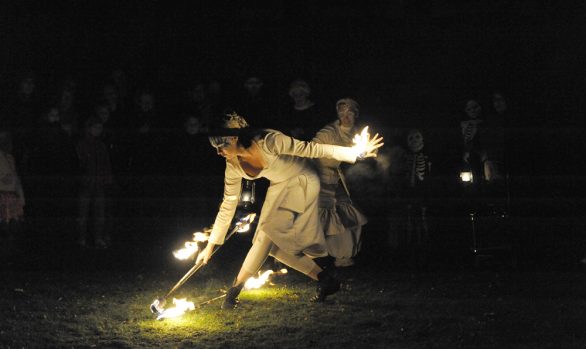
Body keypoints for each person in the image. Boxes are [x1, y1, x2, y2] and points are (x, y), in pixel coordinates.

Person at [195, 113, 382, 309]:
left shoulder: (269, 141)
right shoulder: (232, 166)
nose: (218, 152)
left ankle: (232, 293)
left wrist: (354, 153)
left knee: (265, 233)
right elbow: (228, 203)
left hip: (303, 179)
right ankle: (325, 278)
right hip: (280, 185)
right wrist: (210, 245)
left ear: (233, 138)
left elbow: (311, 149)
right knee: (271, 246)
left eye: (221, 146)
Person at [312, 98, 368, 267]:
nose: (345, 116)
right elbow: (312, 148)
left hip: (338, 180)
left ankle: (343, 257)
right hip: (319, 178)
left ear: (355, 114)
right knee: (321, 217)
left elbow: (364, 153)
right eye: (341, 112)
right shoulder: (329, 131)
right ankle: (310, 257)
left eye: (349, 112)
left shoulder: (358, 133)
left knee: (346, 216)